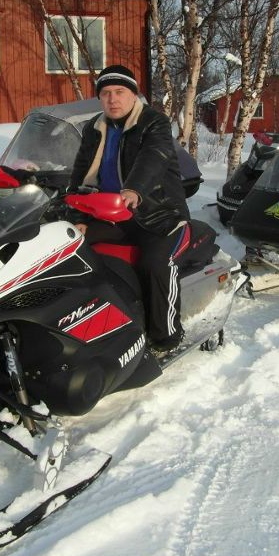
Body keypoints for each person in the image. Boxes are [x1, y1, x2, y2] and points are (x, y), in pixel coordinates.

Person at [69, 64, 189, 353]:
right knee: (67, 247)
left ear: (134, 95)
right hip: (111, 215)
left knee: (156, 264)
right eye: (106, 93)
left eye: (120, 92)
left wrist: (134, 189)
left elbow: (154, 157)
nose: (113, 99)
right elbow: (80, 173)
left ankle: (166, 337)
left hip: (158, 216)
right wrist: (77, 216)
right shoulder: (94, 129)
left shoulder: (154, 123)